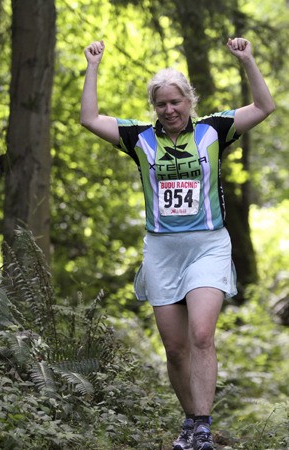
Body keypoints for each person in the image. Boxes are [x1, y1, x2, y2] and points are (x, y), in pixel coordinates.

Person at [80, 37, 275, 450]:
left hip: (207, 245)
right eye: (162, 104)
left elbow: (263, 107)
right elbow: (90, 118)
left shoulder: (214, 130)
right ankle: (190, 421)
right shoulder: (138, 140)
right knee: (176, 349)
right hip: (162, 252)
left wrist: (247, 61)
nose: (169, 110)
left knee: (202, 335)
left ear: (189, 101)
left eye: (176, 102)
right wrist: (93, 66)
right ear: (155, 107)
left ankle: (203, 426)